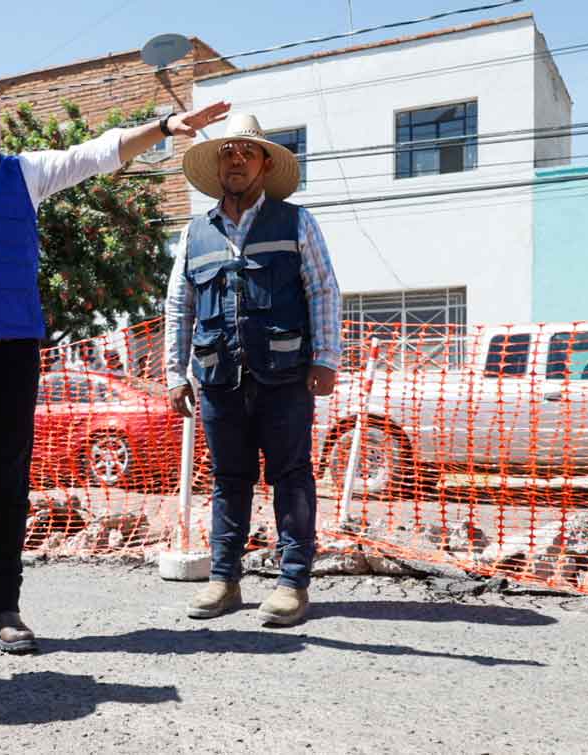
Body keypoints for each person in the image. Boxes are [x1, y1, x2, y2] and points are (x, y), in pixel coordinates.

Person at [0, 70, 229, 654]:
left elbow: (99, 152)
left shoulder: (25, 173)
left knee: (7, 485)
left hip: (12, 354)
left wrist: (165, 125)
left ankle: (4, 609)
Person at [164, 113, 342, 627]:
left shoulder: (296, 222)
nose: (236, 159)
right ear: (218, 166)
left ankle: (292, 584)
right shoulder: (195, 233)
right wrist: (175, 373)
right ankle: (224, 579)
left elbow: (323, 290)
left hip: (285, 376)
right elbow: (179, 305)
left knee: (291, 475)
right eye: (227, 152)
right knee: (228, 479)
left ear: (265, 164)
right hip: (218, 378)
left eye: (247, 151)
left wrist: (326, 358)